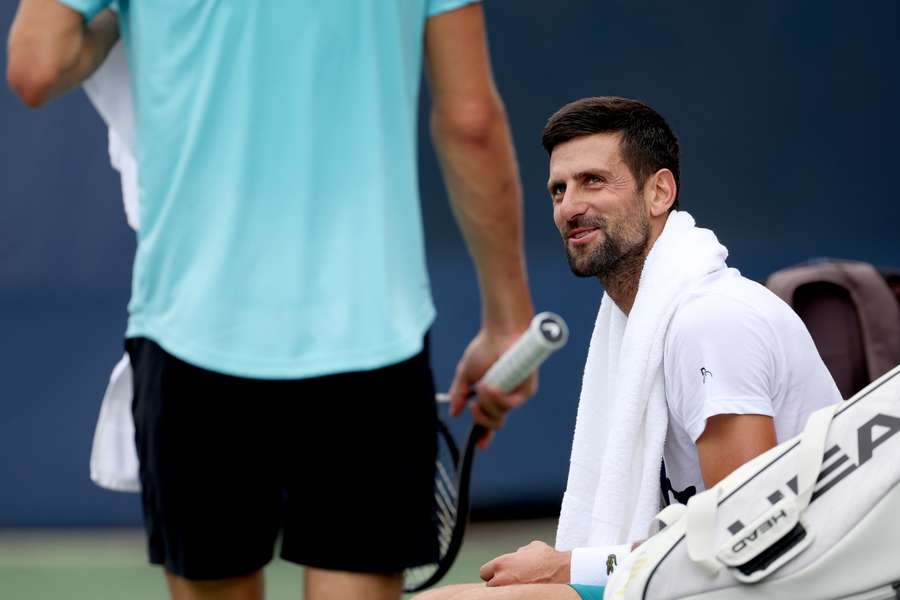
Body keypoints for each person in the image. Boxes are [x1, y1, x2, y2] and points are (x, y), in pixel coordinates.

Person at [7, 2, 536, 599]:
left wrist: (128, 26)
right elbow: (470, 122)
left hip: (192, 341)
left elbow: (37, 63)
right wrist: (506, 319)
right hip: (371, 344)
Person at [412, 97, 841, 600]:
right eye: (558, 190)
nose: (569, 206)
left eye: (593, 180)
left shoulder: (712, 321)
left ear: (660, 192)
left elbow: (745, 534)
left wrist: (565, 566)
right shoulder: (639, 324)